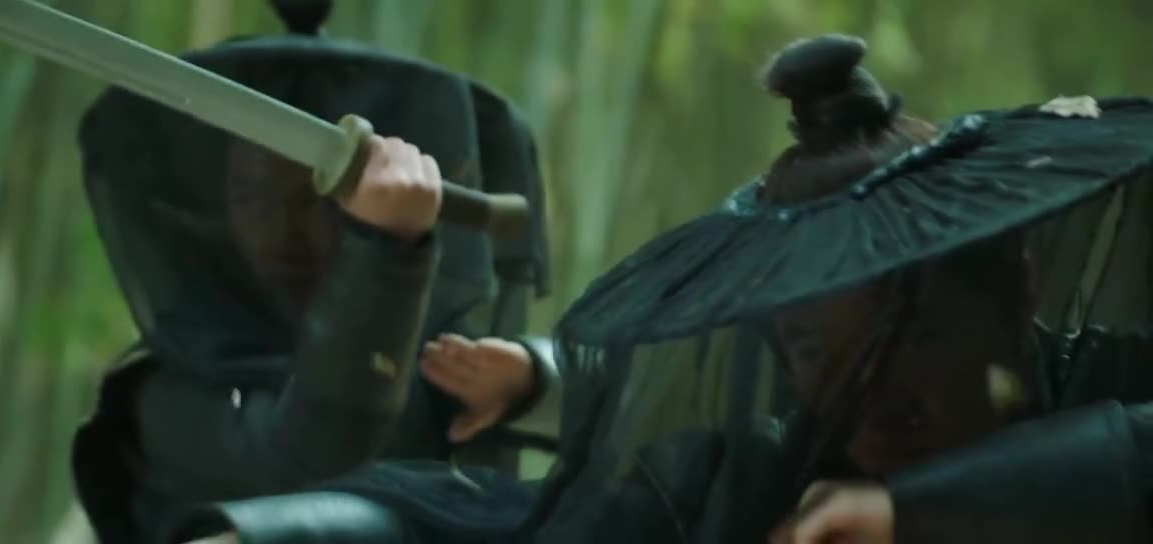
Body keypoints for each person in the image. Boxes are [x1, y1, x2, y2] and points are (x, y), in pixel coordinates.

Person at [173, 34, 1153, 544]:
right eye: (820, 354)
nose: (876, 402)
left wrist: (930, 515)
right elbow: (519, 525)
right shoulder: (767, 476)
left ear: (1015, 286)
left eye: (914, 338)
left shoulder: (1110, 390)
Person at [69, 2, 561, 542]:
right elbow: (318, 457)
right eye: (253, 199)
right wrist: (385, 248)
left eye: (312, 199)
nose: (282, 228)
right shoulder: (169, 399)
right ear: (221, 215)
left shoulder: (436, 365)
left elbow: (624, 421)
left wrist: (533, 381)